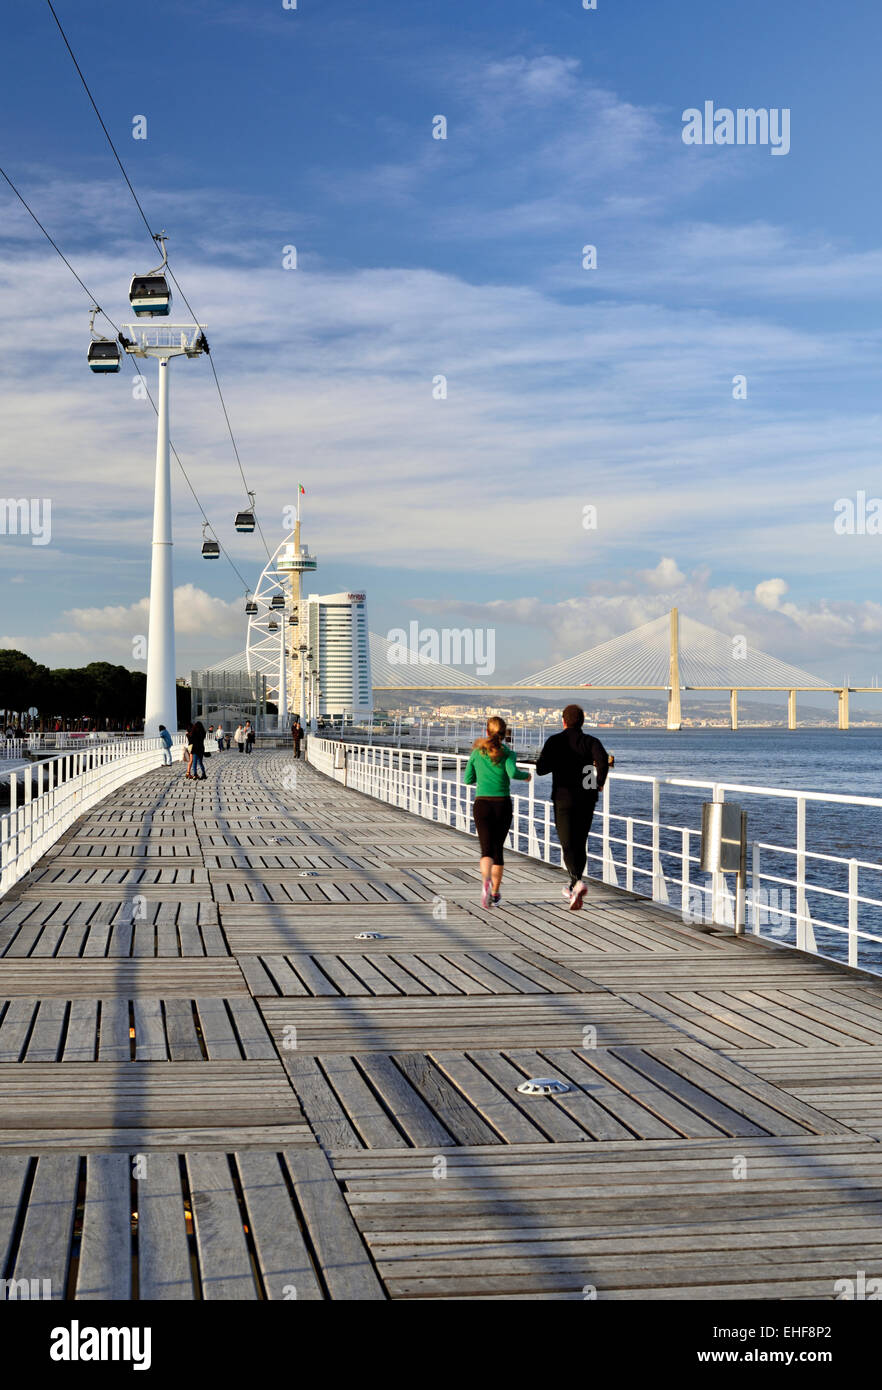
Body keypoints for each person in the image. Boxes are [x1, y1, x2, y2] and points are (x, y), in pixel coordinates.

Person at [535, 704, 610, 911]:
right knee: (580, 841)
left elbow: (541, 769)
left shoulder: (554, 741)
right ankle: (575, 884)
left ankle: (575, 883)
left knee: (567, 843)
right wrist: (599, 781)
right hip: (587, 797)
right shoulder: (591, 742)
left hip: (563, 798)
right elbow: (602, 760)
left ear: (563, 721)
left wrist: (554, 763)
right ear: (582, 722)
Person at [463, 715, 530, 909]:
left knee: (486, 849)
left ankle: (485, 880)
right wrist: (526, 776)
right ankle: (494, 893)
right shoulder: (508, 753)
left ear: (487, 731)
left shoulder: (477, 752)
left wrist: (482, 778)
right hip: (502, 804)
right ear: (504, 733)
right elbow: (513, 773)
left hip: (482, 804)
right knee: (498, 850)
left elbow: (468, 779)